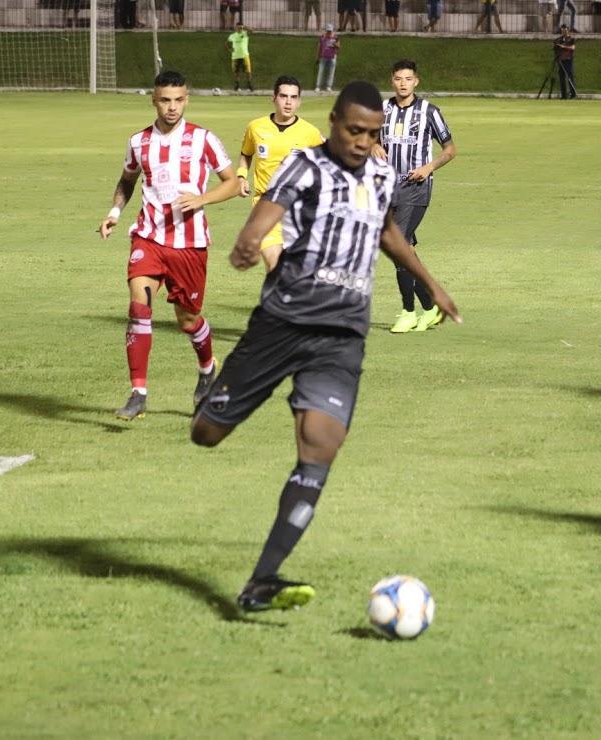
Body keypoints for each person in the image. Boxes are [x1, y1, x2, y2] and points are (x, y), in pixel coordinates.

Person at [190, 81, 461, 612]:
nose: (363, 141)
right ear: (334, 121)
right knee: (207, 433)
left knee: (321, 445)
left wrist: (431, 283)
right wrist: (249, 241)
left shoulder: (383, 174)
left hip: (342, 333)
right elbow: (266, 214)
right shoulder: (304, 166)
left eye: (372, 133)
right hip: (282, 322)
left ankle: (261, 581)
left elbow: (387, 233)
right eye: (354, 130)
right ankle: (221, 394)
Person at [98, 71, 240, 421]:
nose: (172, 107)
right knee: (139, 307)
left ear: (187, 99)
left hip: (189, 245)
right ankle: (138, 394)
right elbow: (127, 180)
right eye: (165, 100)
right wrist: (115, 211)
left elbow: (234, 184)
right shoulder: (139, 142)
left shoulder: (203, 139)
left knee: (188, 320)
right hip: (148, 237)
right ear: (154, 100)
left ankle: (207, 367)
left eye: (178, 100)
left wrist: (202, 198)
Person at [370, 59, 458, 334]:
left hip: (416, 187)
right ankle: (431, 306)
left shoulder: (429, 112)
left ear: (416, 81)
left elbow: (450, 149)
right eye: (398, 79)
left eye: (408, 79)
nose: (403, 83)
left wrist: (428, 167)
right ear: (392, 81)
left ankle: (408, 312)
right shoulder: (382, 109)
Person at [236, 76, 324, 273]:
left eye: (293, 97)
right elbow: (246, 154)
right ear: (274, 98)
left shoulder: (310, 133)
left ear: (299, 101)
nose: (288, 102)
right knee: (274, 263)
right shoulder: (256, 127)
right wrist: (241, 176)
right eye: (283, 96)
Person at [226, 21, 254, 92]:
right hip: (235, 56)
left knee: (248, 71)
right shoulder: (232, 35)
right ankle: (237, 86)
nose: (240, 29)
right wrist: (229, 50)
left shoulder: (245, 34)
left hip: (245, 55)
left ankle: (249, 85)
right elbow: (226, 43)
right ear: (236, 28)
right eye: (238, 27)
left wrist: (245, 27)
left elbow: (252, 31)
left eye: (241, 27)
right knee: (236, 72)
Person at [315, 23, 340, 93]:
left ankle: (328, 86)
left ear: (332, 30)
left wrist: (335, 45)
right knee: (321, 71)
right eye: (328, 31)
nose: (329, 32)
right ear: (326, 30)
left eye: (330, 31)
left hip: (332, 57)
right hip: (323, 57)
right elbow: (319, 47)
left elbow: (339, 46)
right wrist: (317, 57)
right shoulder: (322, 37)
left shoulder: (335, 37)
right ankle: (318, 86)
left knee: (331, 72)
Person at [554, 25, 577, 99]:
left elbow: (573, 48)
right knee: (562, 78)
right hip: (561, 60)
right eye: (562, 30)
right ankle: (563, 95)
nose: (564, 32)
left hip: (568, 59)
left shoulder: (571, 39)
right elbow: (555, 47)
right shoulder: (559, 39)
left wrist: (563, 47)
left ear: (568, 30)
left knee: (570, 77)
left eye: (565, 30)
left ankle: (573, 94)